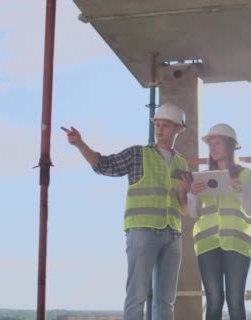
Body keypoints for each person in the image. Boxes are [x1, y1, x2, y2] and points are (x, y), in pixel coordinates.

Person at [61, 103, 193, 320]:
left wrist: (183, 192)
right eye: (157, 124)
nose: (159, 129)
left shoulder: (181, 163)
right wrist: (80, 144)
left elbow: (184, 208)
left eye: (166, 125)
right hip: (142, 231)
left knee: (166, 300)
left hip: (173, 235)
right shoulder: (137, 154)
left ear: (178, 129)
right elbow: (103, 165)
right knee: (137, 295)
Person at [187, 123, 251, 320]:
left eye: (217, 142)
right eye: (210, 144)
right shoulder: (202, 178)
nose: (213, 147)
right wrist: (192, 194)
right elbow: (193, 213)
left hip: (237, 244)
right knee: (214, 300)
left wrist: (240, 191)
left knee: (235, 300)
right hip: (207, 245)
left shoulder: (246, 175)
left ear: (230, 145)